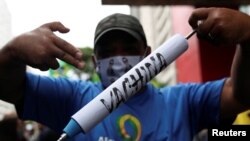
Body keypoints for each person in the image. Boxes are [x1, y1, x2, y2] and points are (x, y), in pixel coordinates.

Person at [0, 7, 249, 141]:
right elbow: (7, 87)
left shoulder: (182, 101)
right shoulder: (74, 97)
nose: (119, 59)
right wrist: (12, 52)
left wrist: (248, 35)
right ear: (96, 62)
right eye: (108, 52)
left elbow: (239, 95)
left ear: (149, 54)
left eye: (129, 49)